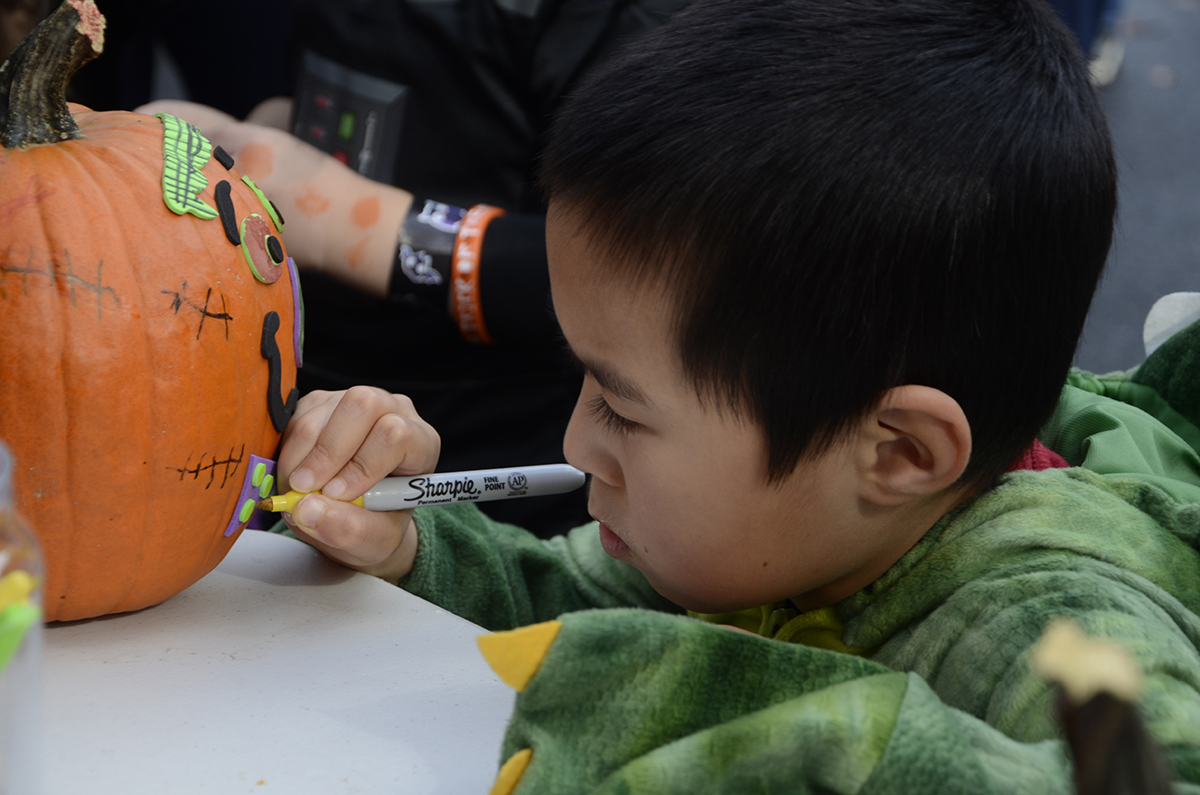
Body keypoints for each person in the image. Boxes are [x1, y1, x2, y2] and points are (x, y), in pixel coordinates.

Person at [267, 0, 1200, 790]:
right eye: (586, 380)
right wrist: (411, 548)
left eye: (623, 409)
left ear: (898, 451)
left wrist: (829, 741)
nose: (579, 442)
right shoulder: (758, 530)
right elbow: (573, 604)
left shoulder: (1063, 624)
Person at [141, 0, 690, 538]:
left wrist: (350, 221)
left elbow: (649, 265)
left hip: (493, 457)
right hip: (315, 395)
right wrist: (282, 132)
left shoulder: (617, 20)